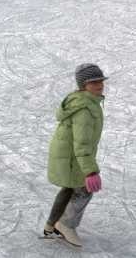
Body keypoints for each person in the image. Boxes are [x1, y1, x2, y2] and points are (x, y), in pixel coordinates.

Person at [43, 63, 107, 247]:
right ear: (83, 85)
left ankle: (50, 226)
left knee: (70, 188)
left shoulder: (82, 101)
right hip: (72, 156)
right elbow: (82, 144)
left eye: (101, 80)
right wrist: (90, 171)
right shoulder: (85, 109)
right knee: (84, 190)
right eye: (93, 82)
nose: (100, 85)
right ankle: (65, 225)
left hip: (67, 154)